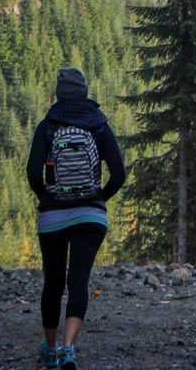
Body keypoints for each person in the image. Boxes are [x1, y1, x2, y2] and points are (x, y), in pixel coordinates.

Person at [26, 68, 126, 370]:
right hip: (91, 215)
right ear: (84, 92)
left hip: (53, 215)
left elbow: (33, 174)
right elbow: (119, 174)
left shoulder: (47, 125)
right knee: (79, 279)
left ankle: (52, 350)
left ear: (59, 95)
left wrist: (48, 198)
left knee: (53, 281)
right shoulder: (100, 125)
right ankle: (69, 348)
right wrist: (98, 199)